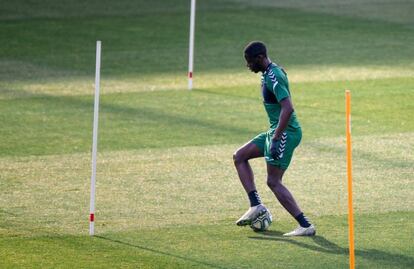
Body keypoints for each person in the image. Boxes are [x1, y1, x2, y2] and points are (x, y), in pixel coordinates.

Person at [233, 41, 315, 236]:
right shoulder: (269, 73)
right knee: (239, 156)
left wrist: (277, 138)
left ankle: (305, 225)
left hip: (285, 132)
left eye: (250, 61)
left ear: (260, 58)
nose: (248, 65)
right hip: (275, 130)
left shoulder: (273, 76)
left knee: (273, 181)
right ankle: (256, 205)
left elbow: (288, 108)